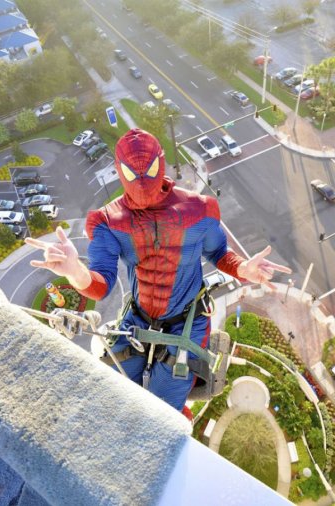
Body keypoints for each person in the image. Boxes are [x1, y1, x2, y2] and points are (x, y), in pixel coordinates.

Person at [25, 128, 292, 412]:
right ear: (120, 170)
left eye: (149, 169)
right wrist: (75, 271)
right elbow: (101, 285)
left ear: (161, 164)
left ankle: (178, 416)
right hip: (137, 319)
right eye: (131, 173)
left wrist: (244, 269)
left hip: (187, 321)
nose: (141, 182)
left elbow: (218, 252)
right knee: (116, 396)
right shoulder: (109, 221)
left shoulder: (197, 210)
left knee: (161, 411)